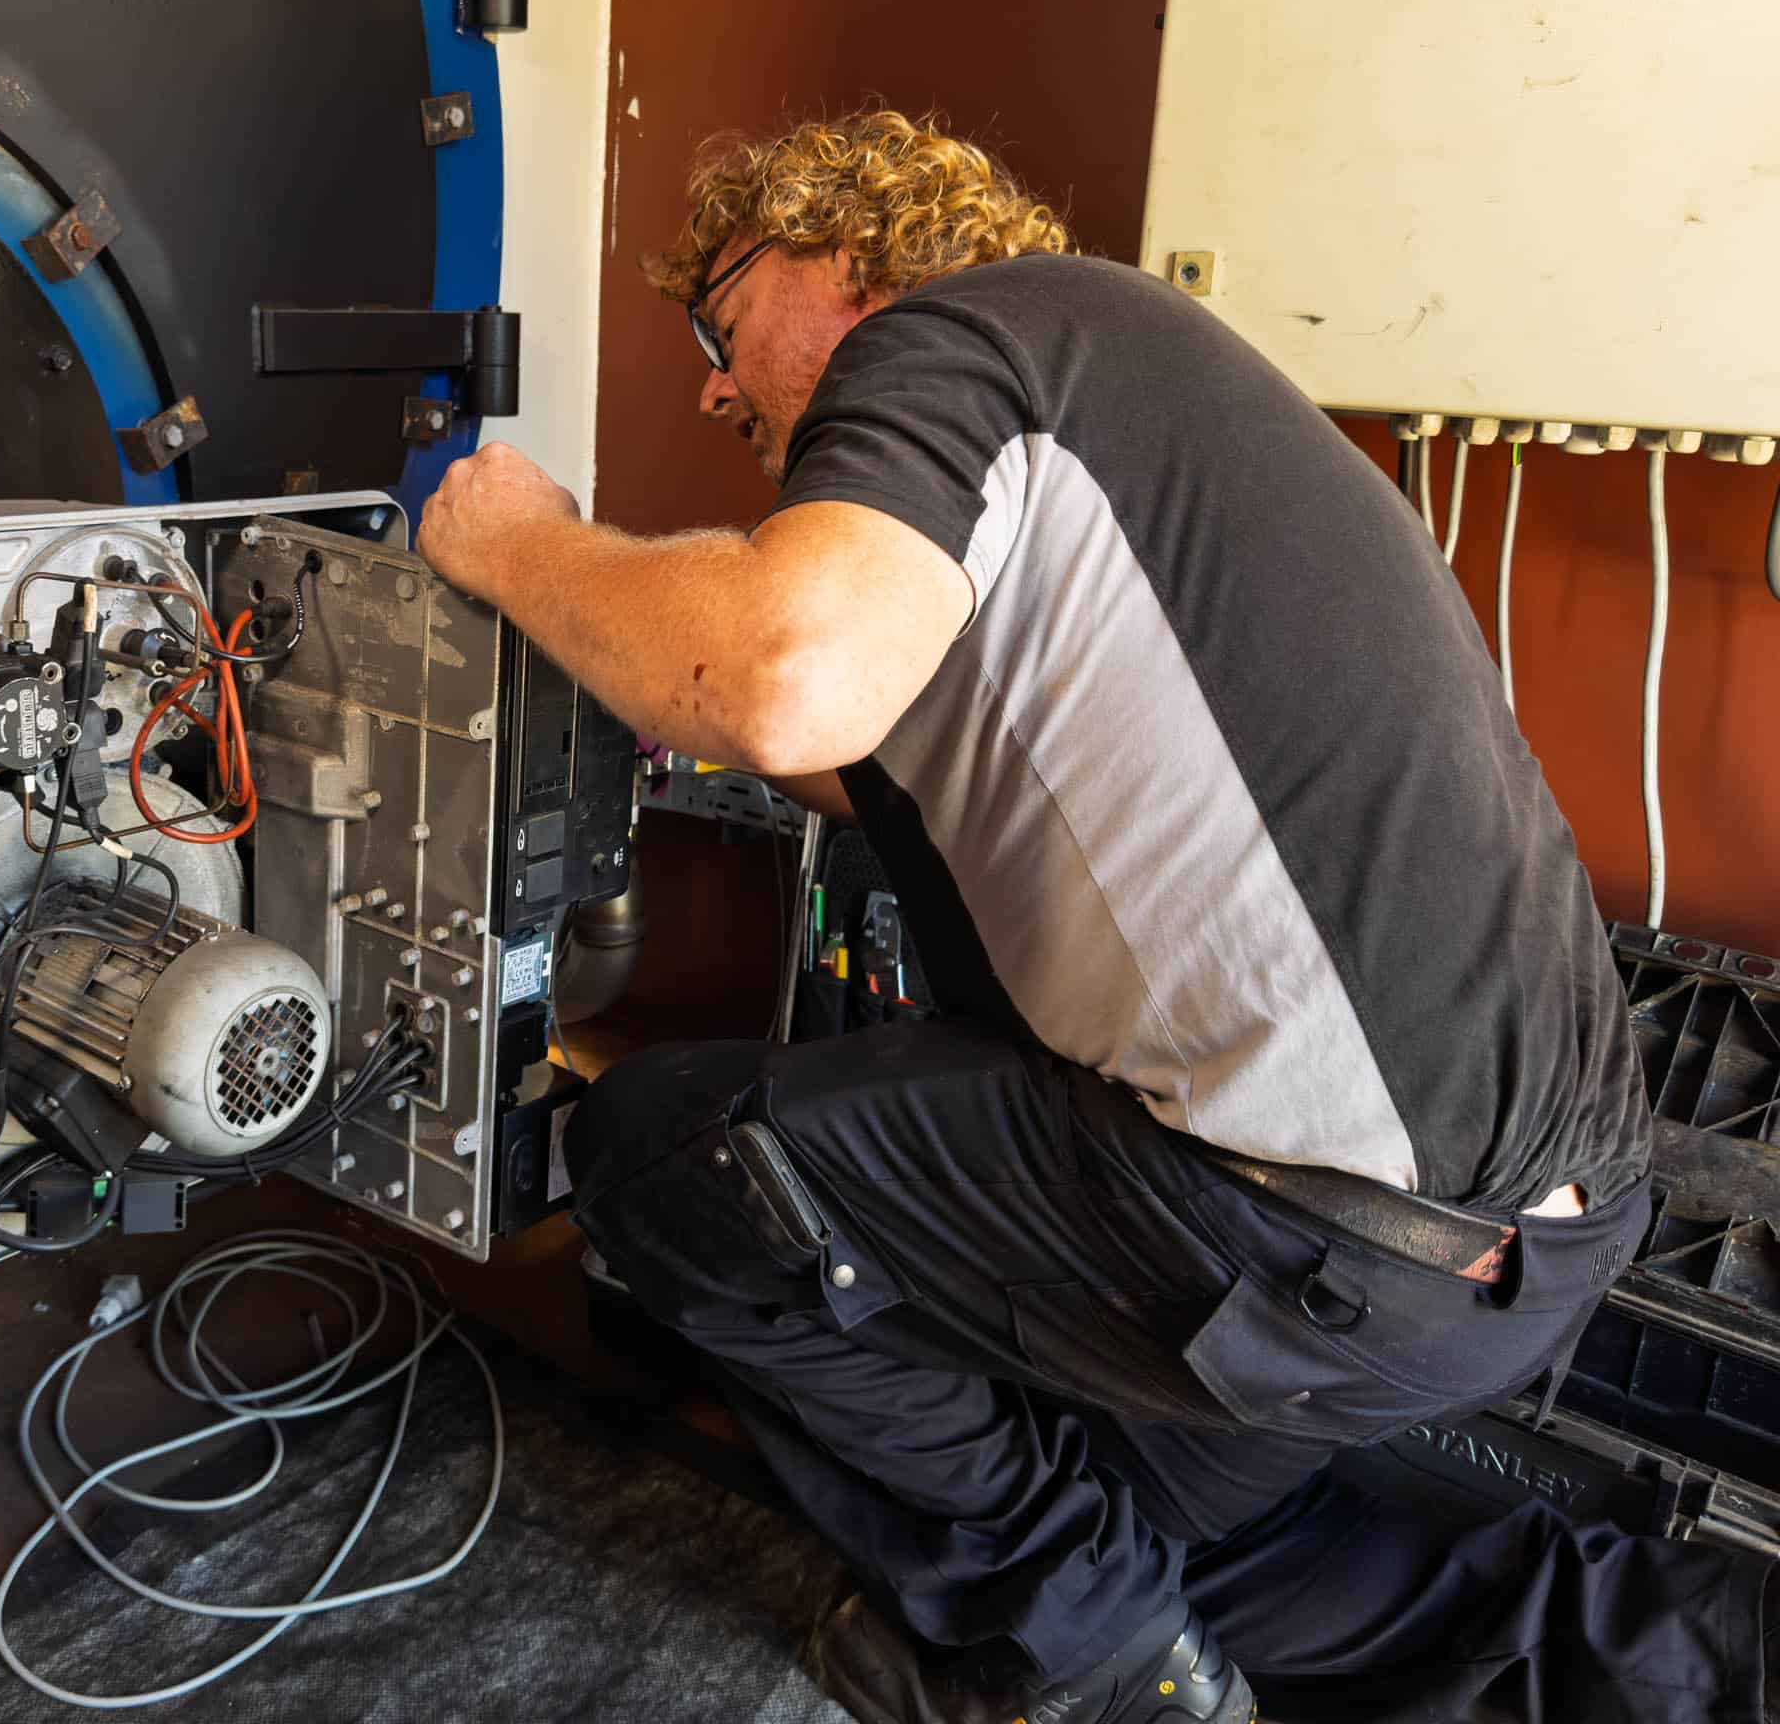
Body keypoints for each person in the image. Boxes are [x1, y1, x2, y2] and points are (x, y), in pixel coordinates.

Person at [415, 109, 1769, 1724]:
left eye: (720, 320)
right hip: (1530, 1248)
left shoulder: (965, 332)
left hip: (1317, 1229)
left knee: (668, 1158)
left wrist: (524, 547)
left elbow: (787, 677)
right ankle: (1697, 1664)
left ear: (850, 257)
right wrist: (650, 664)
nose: (713, 383)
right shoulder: (1124, 415)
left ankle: (1102, 1666)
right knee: (1141, 1507)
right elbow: (876, 758)